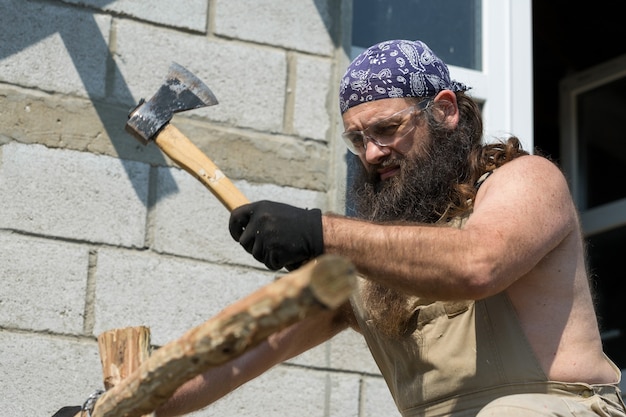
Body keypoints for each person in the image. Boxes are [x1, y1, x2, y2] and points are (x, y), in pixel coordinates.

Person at [156, 40, 626, 417]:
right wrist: (122, 408)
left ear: (444, 110)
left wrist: (320, 231)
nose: (373, 153)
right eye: (357, 139)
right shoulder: (365, 267)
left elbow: (478, 263)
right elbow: (242, 353)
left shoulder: (526, 180)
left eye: (387, 128)